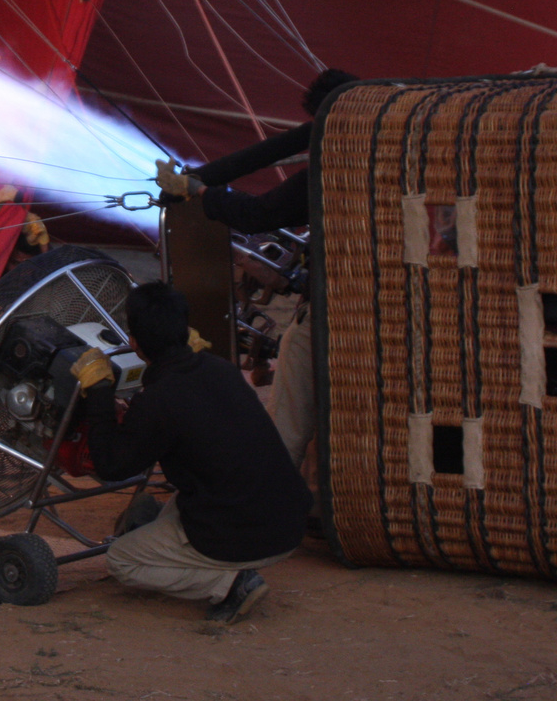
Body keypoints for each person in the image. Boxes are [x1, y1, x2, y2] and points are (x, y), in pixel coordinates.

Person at [71, 282, 312, 623]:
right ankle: (160, 533)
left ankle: (230, 583)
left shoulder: (158, 401)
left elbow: (112, 465)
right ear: (185, 330)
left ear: (135, 343)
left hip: (245, 531)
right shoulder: (220, 368)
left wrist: (97, 393)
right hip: (287, 519)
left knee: (121, 560)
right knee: (200, 481)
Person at [154, 68, 357, 472]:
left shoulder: (333, 168)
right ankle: (319, 497)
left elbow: (259, 214)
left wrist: (201, 193)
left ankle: (269, 489)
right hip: (376, 306)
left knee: (291, 412)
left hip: (331, 309)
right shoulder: (388, 150)